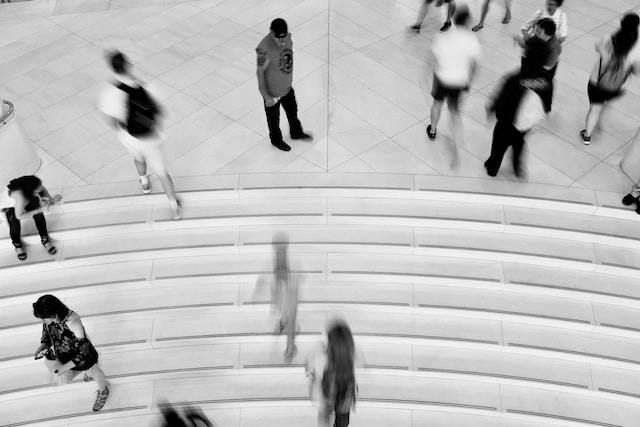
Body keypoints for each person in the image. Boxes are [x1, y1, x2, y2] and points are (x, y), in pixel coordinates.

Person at [98, 50, 182, 220]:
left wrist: (122, 131)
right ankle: (174, 206)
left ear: (113, 68)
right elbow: (160, 111)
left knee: (138, 156)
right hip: (150, 137)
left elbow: (111, 120)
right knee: (161, 171)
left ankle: (144, 182)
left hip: (129, 136)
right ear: (128, 65)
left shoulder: (109, 92)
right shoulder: (145, 86)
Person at [32, 295, 109, 412]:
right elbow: (46, 331)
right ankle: (87, 371)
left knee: (94, 372)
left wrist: (63, 368)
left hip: (82, 356)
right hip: (65, 352)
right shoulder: (50, 319)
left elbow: (83, 352)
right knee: (78, 373)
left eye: (44, 318)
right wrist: (44, 344)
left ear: (54, 313)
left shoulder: (73, 321)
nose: (43, 321)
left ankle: (103, 391)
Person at [426, 5, 481, 167]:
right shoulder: (473, 41)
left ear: (455, 20)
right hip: (459, 81)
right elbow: (475, 65)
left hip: (442, 78)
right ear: (468, 21)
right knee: (454, 111)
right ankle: (456, 142)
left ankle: (433, 131)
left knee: (437, 103)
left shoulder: (443, 36)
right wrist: (469, 81)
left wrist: (436, 71)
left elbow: (433, 57)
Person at [484, 58, 552, 178]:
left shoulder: (516, 78)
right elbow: (547, 103)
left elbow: (502, 97)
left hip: (507, 121)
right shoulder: (546, 80)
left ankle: (492, 168)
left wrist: (492, 108)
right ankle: (517, 168)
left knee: (499, 146)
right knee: (518, 143)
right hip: (526, 124)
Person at [580, 13, 640, 145]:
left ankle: (587, 135)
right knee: (606, 105)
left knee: (594, 109)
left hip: (597, 81)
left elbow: (597, 48)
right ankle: (601, 124)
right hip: (618, 87)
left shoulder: (609, 38)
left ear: (621, 23)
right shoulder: (637, 49)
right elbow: (636, 72)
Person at [256, 18, 312, 152]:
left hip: (287, 88)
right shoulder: (264, 49)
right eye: (278, 38)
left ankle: (296, 132)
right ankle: (276, 140)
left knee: (293, 112)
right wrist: (267, 96)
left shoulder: (288, 38)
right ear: (271, 32)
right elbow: (260, 73)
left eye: (283, 37)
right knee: (274, 121)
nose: (282, 41)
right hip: (272, 92)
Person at [305, 320, 360, 427]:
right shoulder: (349, 355)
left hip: (332, 392)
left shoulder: (323, 357)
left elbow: (311, 370)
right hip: (342, 393)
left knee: (328, 415)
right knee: (341, 417)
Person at [0, 175, 61, 261]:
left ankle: (45, 239)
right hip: (10, 206)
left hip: (24, 199)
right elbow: (19, 215)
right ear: (30, 191)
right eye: (37, 188)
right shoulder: (20, 197)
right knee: (14, 224)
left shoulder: (30, 184)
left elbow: (42, 189)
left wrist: (51, 199)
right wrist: (40, 209)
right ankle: (17, 245)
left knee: (39, 215)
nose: (41, 188)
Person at [271, 231, 300, 363]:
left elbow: (292, 310)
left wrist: (290, 344)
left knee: (289, 312)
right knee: (283, 310)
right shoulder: (277, 263)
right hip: (284, 292)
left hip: (289, 293)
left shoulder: (292, 278)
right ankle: (283, 321)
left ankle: (291, 347)